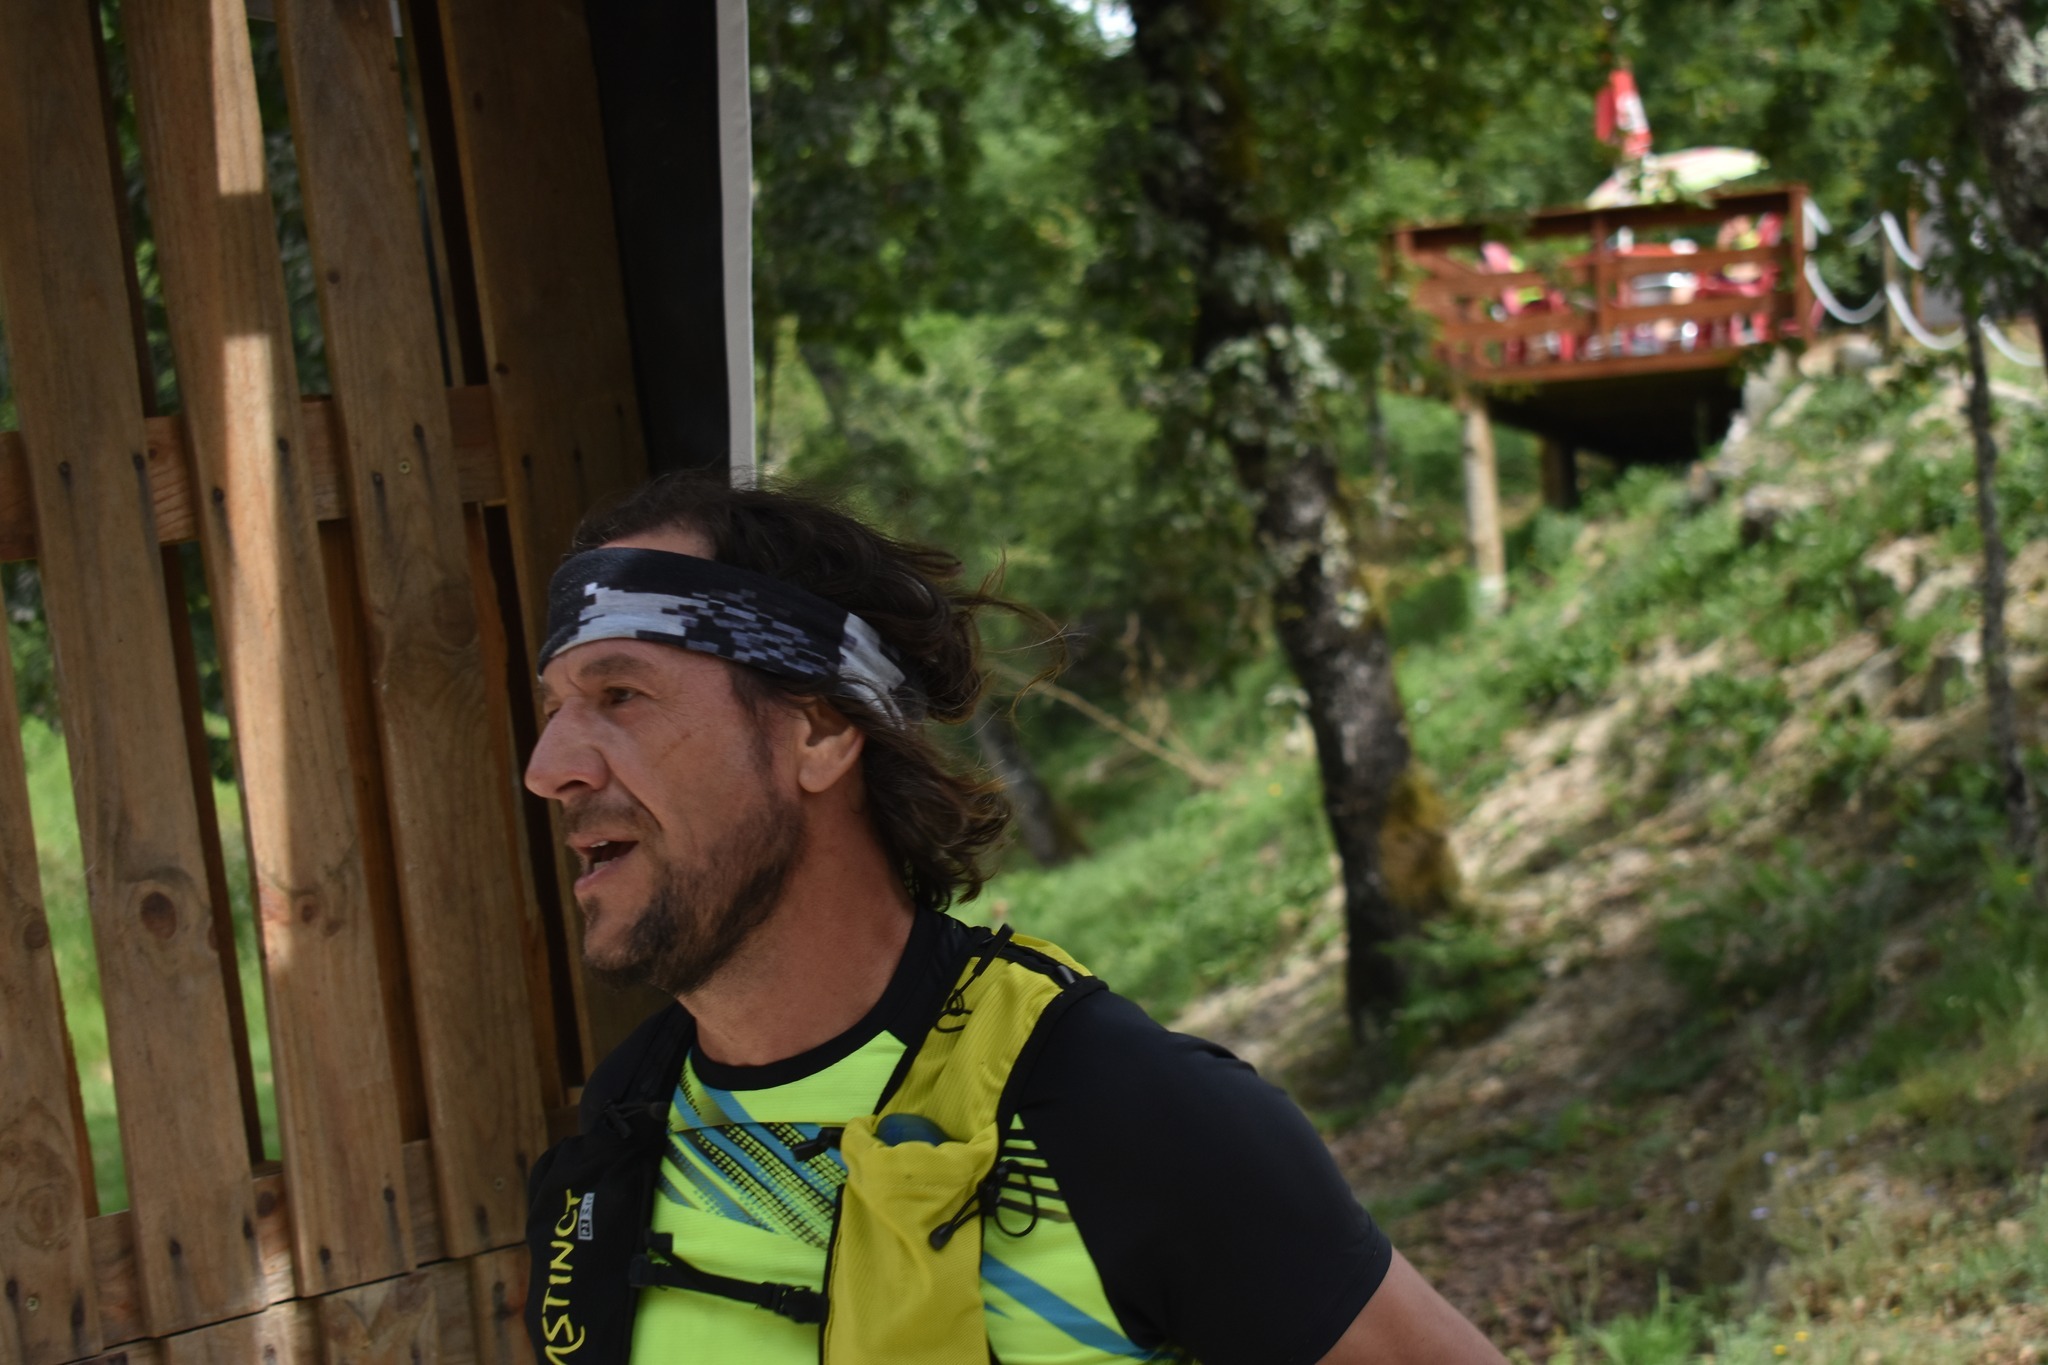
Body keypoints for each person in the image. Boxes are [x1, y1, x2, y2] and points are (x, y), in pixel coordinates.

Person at [519, 473, 1506, 1365]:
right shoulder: (628, 1116)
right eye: (555, 708)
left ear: (817, 729)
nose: (548, 766)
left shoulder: (1118, 1114)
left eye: (620, 694)